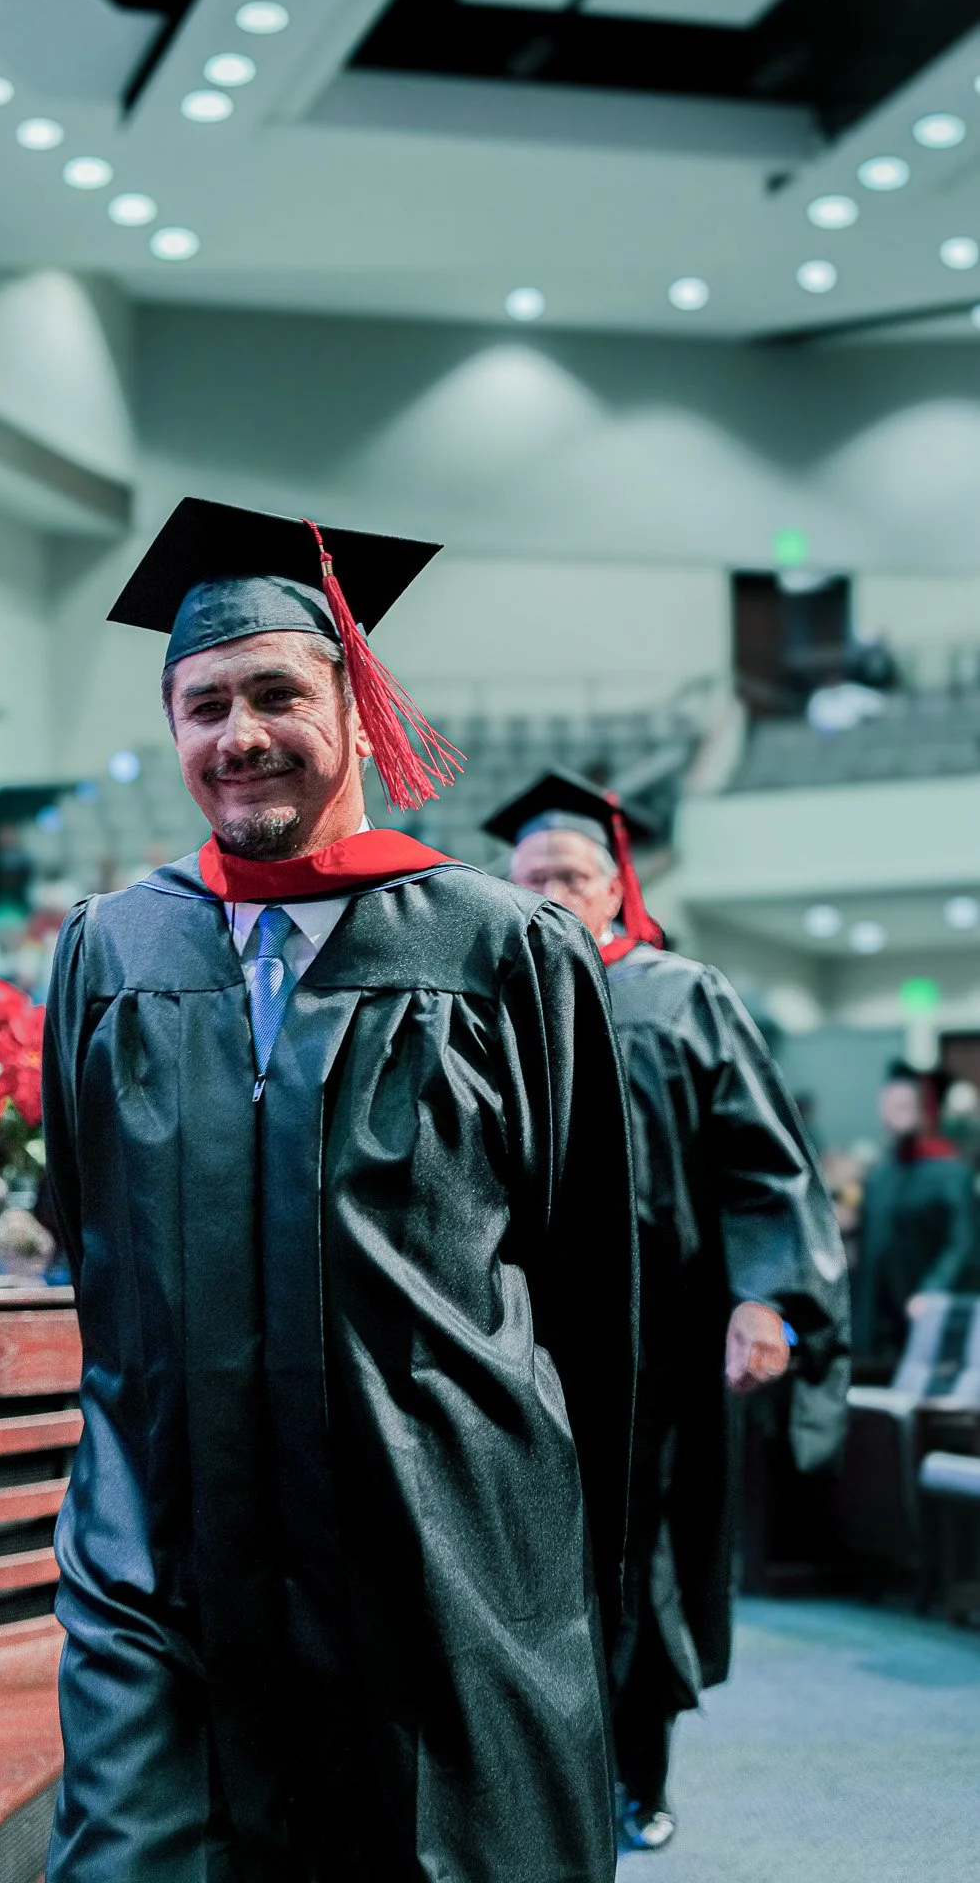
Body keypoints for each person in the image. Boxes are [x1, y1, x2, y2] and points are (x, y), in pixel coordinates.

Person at [41, 501, 638, 1883]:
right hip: (168, 1540)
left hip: (433, 1536)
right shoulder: (112, 948)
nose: (237, 734)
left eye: (273, 694)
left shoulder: (501, 948)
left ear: (355, 709)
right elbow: (93, 1235)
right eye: (203, 705)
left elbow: (586, 1274)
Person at [488, 768, 849, 1856]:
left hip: (663, 1349)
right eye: (534, 875)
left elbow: (763, 1166)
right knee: (520, 1557)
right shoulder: (482, 996)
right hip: (521, 1342)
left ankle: (635, 1770)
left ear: (616, 888)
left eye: (574, 874)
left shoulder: (682, 995)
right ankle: (534, 1778)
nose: (554, 890)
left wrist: (766, 1300)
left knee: (639, 1562)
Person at [852, 1061, 978, 1367]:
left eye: (904, 1104)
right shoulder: (880, 1175)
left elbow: (963, 1243)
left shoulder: (950, 1173)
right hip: (880, 1320)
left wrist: (933, 1291)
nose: (894, 1112)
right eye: (888, 1104)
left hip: (927, 1310)